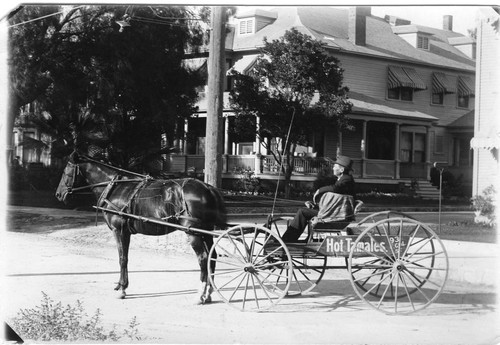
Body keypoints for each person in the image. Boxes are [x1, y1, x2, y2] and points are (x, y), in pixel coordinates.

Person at [281, 155, 356, 242]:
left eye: (335, 166)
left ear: (342, 170)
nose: (333, 168)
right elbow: (336, 201)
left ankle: (287, 241)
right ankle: (290, 240)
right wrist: (316, 205)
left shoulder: (346, 179)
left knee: (302, 212)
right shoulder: (343, 179)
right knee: (306, 210)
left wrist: (319, 190)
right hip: (335, 213)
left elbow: (336, 189)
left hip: (336, 216)